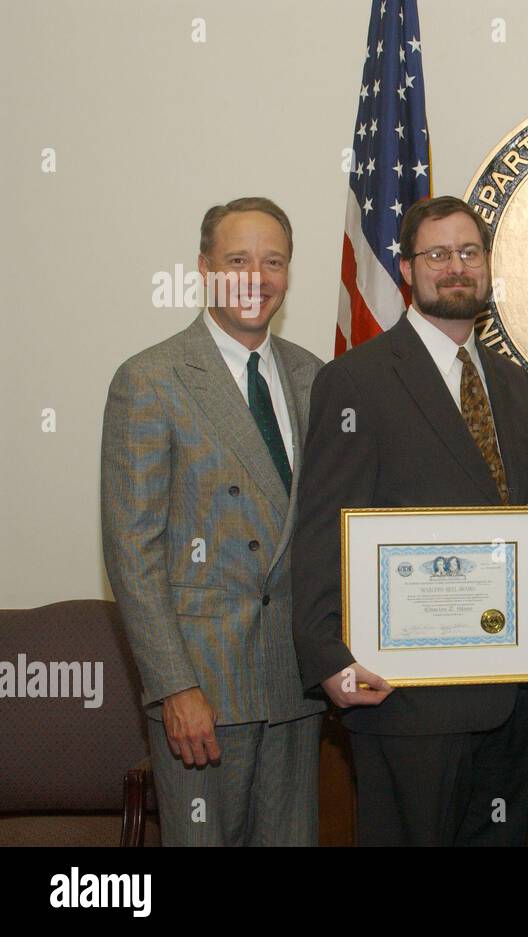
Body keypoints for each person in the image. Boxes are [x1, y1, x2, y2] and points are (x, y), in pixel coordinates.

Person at [291, 195, 528, 846]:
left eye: (469, 252)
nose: (456, 267)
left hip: (511, 693)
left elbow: (514, 495)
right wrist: (330, 658)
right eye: (437, 254)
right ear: (407, 269)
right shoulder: (355, 381)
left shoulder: (512, 384)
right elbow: (322, 523)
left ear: (488, 265)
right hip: (408, 699)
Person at [101, 196, 323, 845]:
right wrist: (175, 686)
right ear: (204, 267)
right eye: (238, 259)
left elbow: (342, 521)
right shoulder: (150, 379)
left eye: (273, 260)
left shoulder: (314, 376)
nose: (258, 275)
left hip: (296, 687)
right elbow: (131, 552)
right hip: (203, 696)